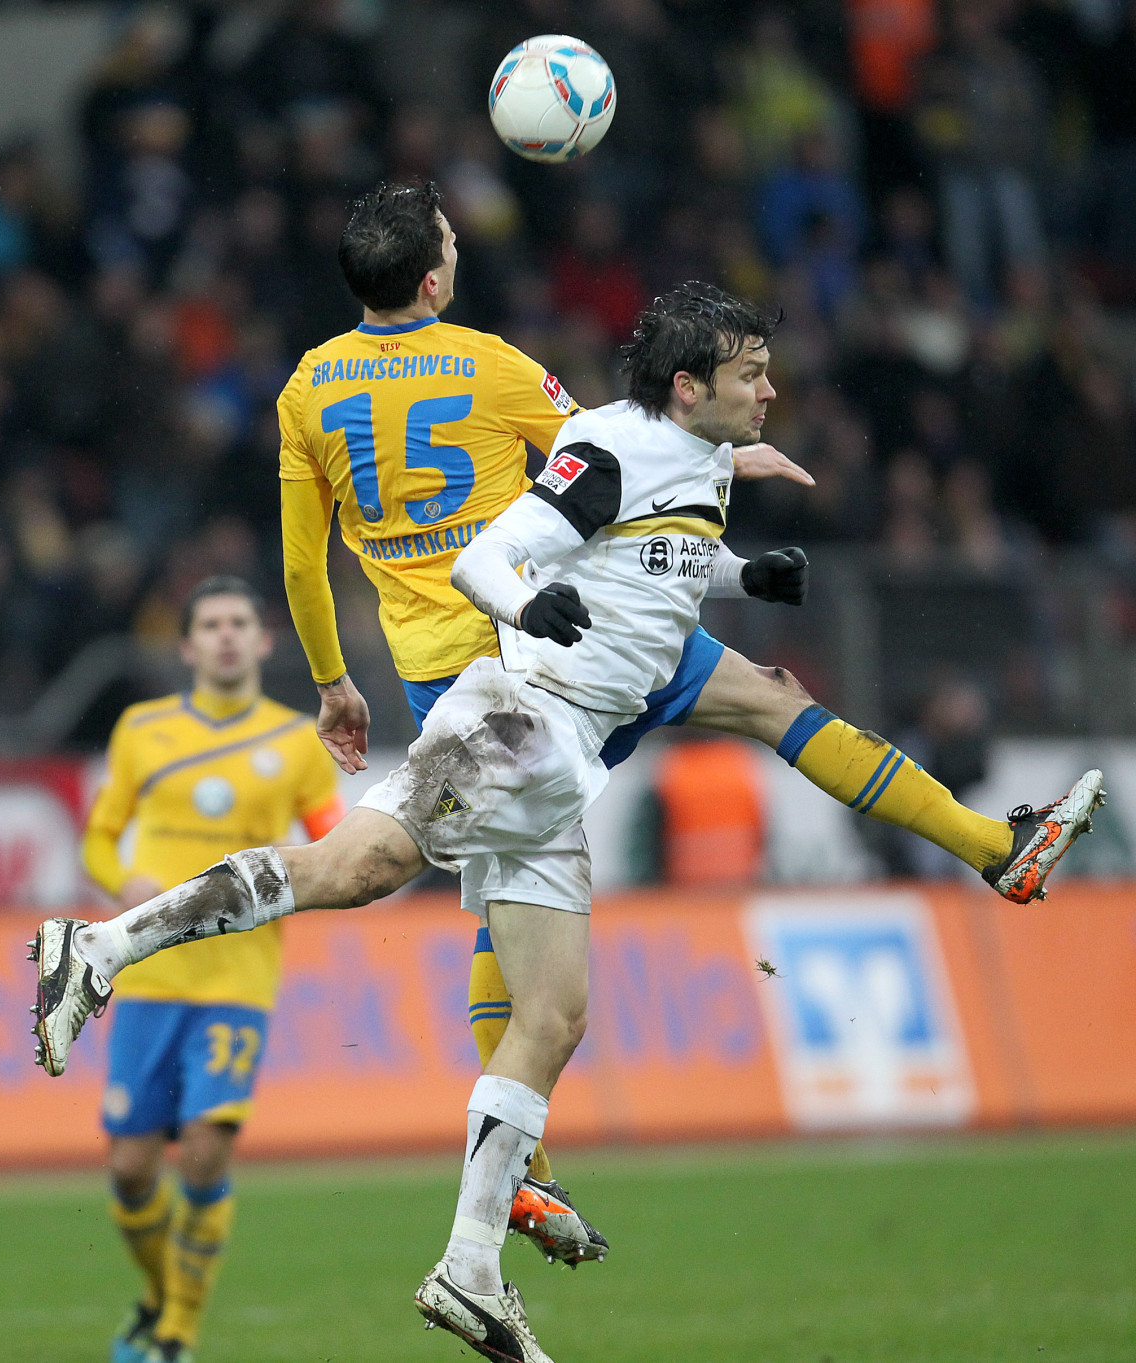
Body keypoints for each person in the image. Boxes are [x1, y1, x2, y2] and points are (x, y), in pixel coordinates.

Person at [33, 285, 1103, 1363]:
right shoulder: (610, 446)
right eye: (751, 375)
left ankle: (470, 1268)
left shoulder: (696, 456)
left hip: (561, 761)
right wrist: (523, 603)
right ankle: (101, 946)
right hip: (515, 723)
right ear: (688, 386)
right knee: (349, 869)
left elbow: (653, 557)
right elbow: (488, 560)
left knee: (554, 1015)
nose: (770, 390)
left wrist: (745, 575)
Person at [276, 178, 814, 1266]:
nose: (460, 247)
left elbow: (302, 560)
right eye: (452, 239)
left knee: (501, 887)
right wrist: (721, 452)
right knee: (757, 702)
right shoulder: (490, 363)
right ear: (434, 279)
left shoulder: (306, 386)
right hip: (540, 639)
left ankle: (523, 1168)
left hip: (431, 666)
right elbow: (613, 459)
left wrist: (333, 679)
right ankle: (515, 1169)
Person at [77, 576, 342, 1363]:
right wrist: (120, 881)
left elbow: (331, 843)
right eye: (211, 624)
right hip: (151, 978)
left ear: (263, 640)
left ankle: (176, 1334)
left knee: (203, 1148)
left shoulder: (297, 741)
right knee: (130, 1166)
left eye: (239, 622)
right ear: (187, 645)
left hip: (237, 980)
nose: (226, 635)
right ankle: (163, 1295)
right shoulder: (142, 729)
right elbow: (99, 836)